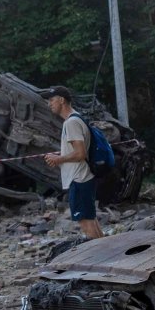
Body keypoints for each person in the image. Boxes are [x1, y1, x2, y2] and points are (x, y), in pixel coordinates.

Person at [42, 86, 103, 240]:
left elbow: (80, 153)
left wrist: (58, 159)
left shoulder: (71, 123)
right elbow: (79, 150)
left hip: (79, 177)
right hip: (84, 176)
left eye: (51, 100)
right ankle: (109, 254)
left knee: (85, 223)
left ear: (62, 100)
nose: (49, 104)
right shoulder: (77, 118)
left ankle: (100, 258)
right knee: (91, 219)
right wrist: (61, 155)